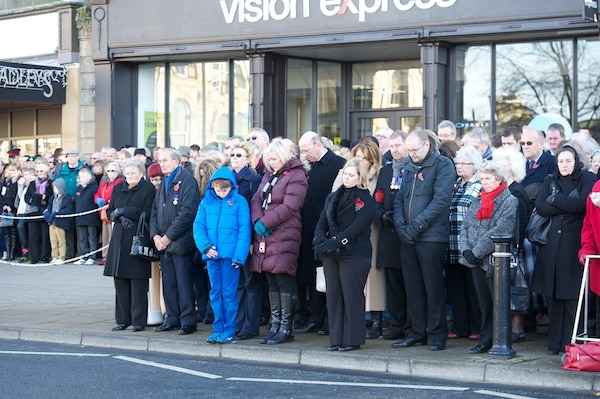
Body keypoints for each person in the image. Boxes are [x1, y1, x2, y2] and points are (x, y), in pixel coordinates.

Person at [392, 129, 454, 352]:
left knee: (433, 287)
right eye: (408, 150)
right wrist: (400, 226)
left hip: (431, 237)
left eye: (414, 150)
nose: (411, 154)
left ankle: (437, 334)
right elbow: (398, 198)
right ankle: (416, 332)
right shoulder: (408, 167)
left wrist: (415, 227)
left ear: (427, 145)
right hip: (408, 236)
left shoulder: (443, 165)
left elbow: (441, 201)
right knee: (413, 288)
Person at [531, 145, 596, 355]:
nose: (564, 165)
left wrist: (557, 199)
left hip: (573, 246)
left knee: (572, 297)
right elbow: (541, 206)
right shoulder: (550, 179)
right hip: (551, 247)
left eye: (568, 161)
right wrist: (567, 204)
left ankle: (572, 345)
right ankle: (554, 344)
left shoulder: (586, 178)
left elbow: (584, 204)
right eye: (561, 161)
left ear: (576, 162)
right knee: (553, 297)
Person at [313, 157, 376, 352]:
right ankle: (337, 338)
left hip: (355, 253)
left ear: (360, 177)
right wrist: (319, 240)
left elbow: (358, 227)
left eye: (351, 175)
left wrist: (336, 241)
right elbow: (322, 222)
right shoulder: (333, 197)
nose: (346, 178)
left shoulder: (366, 198)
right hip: (332, 253)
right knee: (333, 296)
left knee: (351, 296)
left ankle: (353, 339)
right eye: (345, 174)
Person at [251, 140, 308, 345]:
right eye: (268, 160)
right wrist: (258, 221)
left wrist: (266, 221)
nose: (271, 163)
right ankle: (275, 326)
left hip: (285, 231)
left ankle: (286, 327)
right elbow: (257, 199)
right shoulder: (269, 174)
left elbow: (291, 206)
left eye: (274, 159)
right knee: (270, 278)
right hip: (266, 233)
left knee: (283, 276)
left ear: (283, 156)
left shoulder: (297, 175)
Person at [459, 160, 518, 354]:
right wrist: (466, 250)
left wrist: (475, 252)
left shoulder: (509, 200)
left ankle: (500, 340)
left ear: (498, 179)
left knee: (497, 303)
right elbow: (465, 226)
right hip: (474, 259)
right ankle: (485, 339)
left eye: (488, 178)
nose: (484, 182)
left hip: (493, 260)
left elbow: (501, 229)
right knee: (483, 303)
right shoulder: (477, 198)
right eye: (482, 178)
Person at [296, 131, 346, 335]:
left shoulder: (338, 164)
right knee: (310, 275)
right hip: (307, 229)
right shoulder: (309, 167)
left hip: (327, 229)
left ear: (318, 144)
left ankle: (328, 319)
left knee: (327, 277)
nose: (305, 155)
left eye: (307, 150)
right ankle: (315, 317)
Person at [194, 167, 252, 344]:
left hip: (230, 258)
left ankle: (229, 329)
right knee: (216, 293)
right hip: (212, 256)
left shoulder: (240, 202)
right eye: (218, 189)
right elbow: (198, 227)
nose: (221, 193)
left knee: (229, 294)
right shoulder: (206, 202)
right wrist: (205, 247)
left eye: (224, 190)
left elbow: (244, 230)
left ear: (231, 187)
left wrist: (239, 256)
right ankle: (218, 328)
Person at [151, 148, 201, 335]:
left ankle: (188, 320)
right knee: (169, 283)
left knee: (183, 282)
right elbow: (155, 211)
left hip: (180, 242)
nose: (161, 164)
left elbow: (187, 213)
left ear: (176, 161)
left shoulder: (188, 181)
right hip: (163, 243)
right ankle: (172, 317)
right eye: (159, 160)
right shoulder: (164, 182)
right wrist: (155, 235)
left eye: (164, 160)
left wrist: (167, 237)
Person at [104, 158, 156, 332]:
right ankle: (122, 320)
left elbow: (148, 212)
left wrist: (127, 212)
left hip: (137, 237)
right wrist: (118, 216)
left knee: (137, 282)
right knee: (120, 281)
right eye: (127, 173)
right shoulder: (118, 188)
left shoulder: (148, 189)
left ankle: (139, 321)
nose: (130, 176)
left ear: (141, 173)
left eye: (133, 173)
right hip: (119, 238)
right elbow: (111, 210)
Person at [340, 140, 383, 339]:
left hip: (370, 233)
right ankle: (354, 320)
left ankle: (376, 318)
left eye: (365, 158)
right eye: (357, 156)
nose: (361, 161)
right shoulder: (345, 175)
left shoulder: (378, 178)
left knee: (374, 278)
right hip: (346, 235)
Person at [493, 147, 532, 343]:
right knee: (505, 287)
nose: (500, 165)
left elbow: (523, 221)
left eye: (505, 162)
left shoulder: (517, 190)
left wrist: (515, 245)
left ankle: (517, 329)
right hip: (503, 246)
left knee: (518, 287)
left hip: (516, 245)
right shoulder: (500, 189)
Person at [373, 130, 409, 340]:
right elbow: (377, 199)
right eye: (392, 146)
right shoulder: (386, 172)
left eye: (398, 146)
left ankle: (411, 325)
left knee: (410, 285)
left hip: (407, 236)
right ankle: (396, 325)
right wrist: (382, 215)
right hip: (388, 235)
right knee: (393, 286)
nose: (395, 150)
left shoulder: (414, 170)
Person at [446, 145, 483, 340]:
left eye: (464, 163)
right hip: (451, 243)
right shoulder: (454, 184)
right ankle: (459, 326)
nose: (459, 167)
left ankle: (476, 326)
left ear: (474, 165)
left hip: (470, 244)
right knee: (455, 288)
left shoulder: (479, 185)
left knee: (472, 287)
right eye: (457, 163)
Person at [228, 143, 263, 341]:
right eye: (232, 154)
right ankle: (238, 323)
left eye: (239, 154)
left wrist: (251, 240)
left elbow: (255, 211)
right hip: (230, 238)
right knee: (237, 284)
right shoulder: (227, 178)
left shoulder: (254, 180)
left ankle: (250, 326)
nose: (235, 157)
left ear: (248, 158)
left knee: (251, 283)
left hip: (248, 238)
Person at [192, 159, 220, 325]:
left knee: (210, 281)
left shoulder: (211, 196)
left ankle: (209, 312)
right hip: (199, 240)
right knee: (200, 280)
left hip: (211, 241)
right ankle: (203, 310)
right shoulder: (199, 193)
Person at [94, 162, 123, 265]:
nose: (110, 173)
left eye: (113, 171)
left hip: (113, 212)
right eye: (109, 171)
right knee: (105, 235)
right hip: (104, 212)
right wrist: (98, 199)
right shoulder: (105, 183)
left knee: (112, 235)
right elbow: (97, 193)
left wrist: (109, 201)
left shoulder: (120, 182)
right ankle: (105, 256)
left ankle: (112, 256)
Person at [24, 163, 53, 264]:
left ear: (46, 172)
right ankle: (34, 257)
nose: (39, 173)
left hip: (44, 212)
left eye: (42, 171)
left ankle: (45, 256)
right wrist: (39, 198)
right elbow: (27, 197)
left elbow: (49, 197)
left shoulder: (50, 183)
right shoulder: (32, 183)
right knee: (33, 235)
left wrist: (38, 198)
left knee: (45, 235)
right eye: (38, 171)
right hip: (33, 212)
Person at [73, 168, 101, 265]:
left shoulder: (94, 187)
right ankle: (83, 256)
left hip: (91, 217)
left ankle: (92, 256)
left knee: (92, 237)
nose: (82, 179)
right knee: (82, 238)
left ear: (90, 177)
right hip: (80, 217)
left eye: (84, 176)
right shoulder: (78, 188)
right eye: (81, 177)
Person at [45, 178, 75, 264]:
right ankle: (54, 256)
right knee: (53, 241)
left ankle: (62, 257)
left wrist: (57, 213)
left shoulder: (67, 198)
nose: (54, 190)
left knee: (61, 240)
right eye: (54, 188)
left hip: (61, 223)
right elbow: (49, 207)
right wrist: (48, 213)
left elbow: (68, 210)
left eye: (56, 188)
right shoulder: (52, 198)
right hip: (52, 222)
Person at [1, 163, 21, 260]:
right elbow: (3, 195)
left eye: (14, 170)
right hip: (6, 209)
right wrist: (4, 205)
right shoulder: (6, 182)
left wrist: (11, 207)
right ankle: (8, 252)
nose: (11, 173)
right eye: (10, 170)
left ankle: (12, 253)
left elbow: (17, 197)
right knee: (6, 231)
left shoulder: (18, 182)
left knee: (13, 232)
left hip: (14, 209)